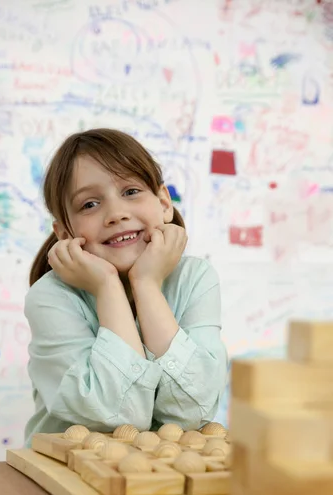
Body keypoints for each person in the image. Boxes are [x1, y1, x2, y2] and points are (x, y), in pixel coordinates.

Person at [24, 128, 228, 446]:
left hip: (156, 480)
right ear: (64, 232)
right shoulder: (50, 298)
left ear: (163, 202)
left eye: (131, 191)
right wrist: (107, 287)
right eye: (89, 204)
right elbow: (118, 415)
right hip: (68, 478)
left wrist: (146, 284)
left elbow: (193, 410)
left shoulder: (195, 278)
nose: (116, 214)